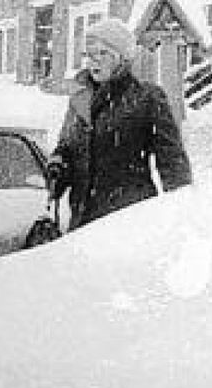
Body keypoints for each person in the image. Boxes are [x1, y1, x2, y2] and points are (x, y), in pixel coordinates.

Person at [48, 18, 191, 230]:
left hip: (128, 222)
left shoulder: (146, 98)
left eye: (102, 53)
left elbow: (172, 162)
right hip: (82, 224)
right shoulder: (80, 99)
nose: (93, 61)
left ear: (122, 58)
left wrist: (182, 213)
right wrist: (59, 165)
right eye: (89, 54)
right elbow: (67, 146)